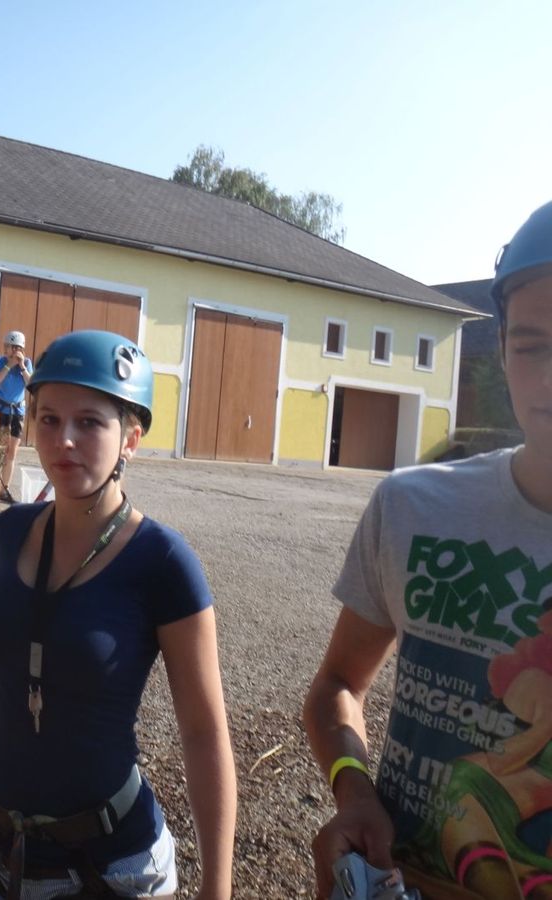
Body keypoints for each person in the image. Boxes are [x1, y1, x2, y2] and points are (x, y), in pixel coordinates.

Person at [0, 330, 237, 899]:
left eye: (89, 422)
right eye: (48, 419)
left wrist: (217, 889)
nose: (64, 439)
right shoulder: (10, 532)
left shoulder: (163, 563)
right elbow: (0, 653)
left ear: (131, 439)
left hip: (106, 864)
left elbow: (203, 733)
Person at [304, 201, 552, 900]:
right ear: (501, 348)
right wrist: (353, 790)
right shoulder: (413, 506)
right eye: (532, 345)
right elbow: (337, 688)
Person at [0, 330, 34, 504]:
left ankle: (4, 488)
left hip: (17, 412)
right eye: (7, 347)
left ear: (19, 349)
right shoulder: (0, 361)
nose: (8, 350)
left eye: (12, 347)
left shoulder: (26, 363)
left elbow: (31, 385)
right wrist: (8, 365)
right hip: (2, 410)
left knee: (12, 451)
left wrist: (21, 367)